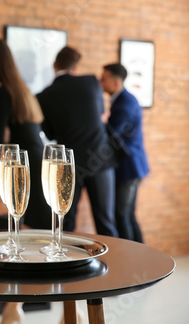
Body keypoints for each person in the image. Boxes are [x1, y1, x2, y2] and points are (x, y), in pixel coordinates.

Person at [36, 46, 119, 237]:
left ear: (54, 65)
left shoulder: (43, 96)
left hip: (70, 164)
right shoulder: (91, 82)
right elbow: (100, 114)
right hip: (100, 158)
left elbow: (48, 132)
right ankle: (116, 265)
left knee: (65, 221)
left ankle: (64, 262)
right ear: (75, 68)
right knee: (105, 221)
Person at [0, 39, 51, 230]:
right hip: (36, 158)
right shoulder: (20, 88)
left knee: (30, 221)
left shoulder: (4, 91)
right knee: (38, 221)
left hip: (23, 164)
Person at [100, 63, 149, 243]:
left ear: (115, 83)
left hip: (129, 167)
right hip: (133, 166)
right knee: (127, 214)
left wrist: (102, 122)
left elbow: (113, 134)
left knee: (121, 214)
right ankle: (140, 255)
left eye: (103, 79)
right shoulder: (125, 100)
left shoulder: (124, 104)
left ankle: (131, 258)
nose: (100, 82)